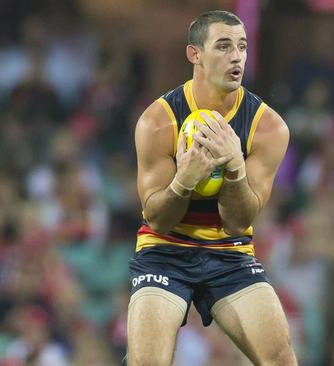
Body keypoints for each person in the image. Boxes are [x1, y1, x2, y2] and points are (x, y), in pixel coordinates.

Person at [127, 10, 297, 365]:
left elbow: (239, 222)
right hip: (165, 250)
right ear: (195, 55)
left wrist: (235, 167)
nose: (236, 57)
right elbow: (156, 220)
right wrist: (183, 182)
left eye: (242, 47)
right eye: (223, 46)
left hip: (230, 252)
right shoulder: (158, 121)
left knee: (281, 359)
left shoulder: (269, 128)